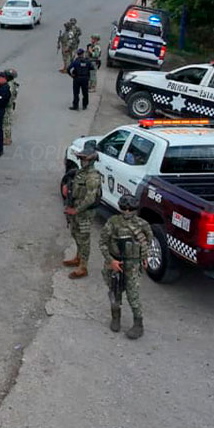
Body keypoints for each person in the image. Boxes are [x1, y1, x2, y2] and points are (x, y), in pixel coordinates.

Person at [100, 195, 151, 339]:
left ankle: (138, 324)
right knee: (115, 292)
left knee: (133, 294)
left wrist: (144, 257)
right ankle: (115, 318)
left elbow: (147, 241)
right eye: (124, 208)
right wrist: (111, 261)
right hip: (115, 263)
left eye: (131, 209)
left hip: (133, 264)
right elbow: (102, 243)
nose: (127, 211)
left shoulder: (143, 225)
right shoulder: (113, 223)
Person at [62, 140, 102, 279]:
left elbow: (90, 199)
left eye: (84, 159)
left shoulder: (92, 176)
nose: (81, 161)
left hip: (84, 212)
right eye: (81, 158)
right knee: (75, 233)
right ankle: (78, 257)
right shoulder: (81, 172)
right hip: (75, 208)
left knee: (84, 238)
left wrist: (76, 210)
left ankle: (83, 266)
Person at [3, 67, 19, 146]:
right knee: (6, 122)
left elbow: (8, 97)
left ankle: (7, 139)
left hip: (7, 106)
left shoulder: (9, 86)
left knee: (6, 123)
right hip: (11, 104)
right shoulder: (13, 84)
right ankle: (7, 137)